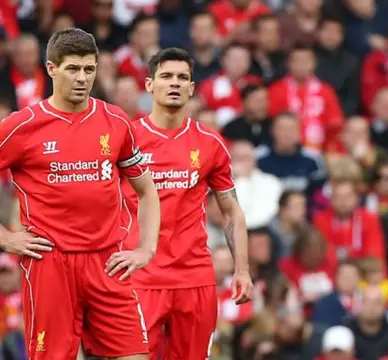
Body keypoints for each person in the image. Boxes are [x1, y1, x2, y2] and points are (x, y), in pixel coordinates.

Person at [0, 28, 161, 359]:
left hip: (108, 262)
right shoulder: (23, 125)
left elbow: (147, 190)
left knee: (136, 355)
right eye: (73, 68)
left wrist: (146, 249)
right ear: (51, 68)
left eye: (89, 69)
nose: (82, 77)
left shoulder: (115, 121)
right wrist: (4, 237)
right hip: (50, 263)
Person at [118, 47, 253, 360]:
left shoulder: (210, 143)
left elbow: (231, 211)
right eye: (166, 76)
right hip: (140, 275)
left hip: (194, 277)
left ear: (192, 89)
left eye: (182, 78)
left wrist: (242, 270)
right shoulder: (127, 138)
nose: (175, 83)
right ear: (149, 85)